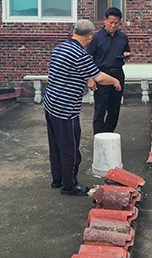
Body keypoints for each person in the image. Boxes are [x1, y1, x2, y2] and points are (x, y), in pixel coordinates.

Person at [43, 19, 122, 196]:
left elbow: (70, 70)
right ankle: (69, 185)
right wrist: (115, 80)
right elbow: (100, 77)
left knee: (55, 145)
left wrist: (87, 78)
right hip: (65, 108)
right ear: (90, 37)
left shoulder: (60, 48)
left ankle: (57, 180)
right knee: (70, 148)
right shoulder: (79, 53)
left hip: (50, 104)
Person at [87, 7, 132, 134]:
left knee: (114, 109)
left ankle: (108, 136)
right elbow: (88, 59)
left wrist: (127, 55)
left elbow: (126, 53)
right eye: (110, 22)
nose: (113, 25)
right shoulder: (96, 38)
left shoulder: (122, 37)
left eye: (116, 23)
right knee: (100, 108)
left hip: (118, 74)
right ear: (104, 20)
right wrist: (90, 79)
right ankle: (98, 138)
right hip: (101, 74)